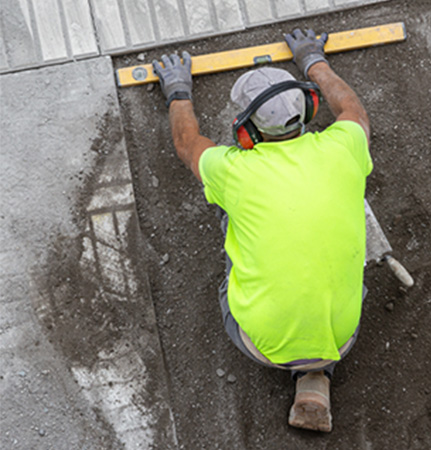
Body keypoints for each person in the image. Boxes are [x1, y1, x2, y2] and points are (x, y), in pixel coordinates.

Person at [152, 28, 372, 432]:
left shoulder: (233, 170)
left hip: (259, 343)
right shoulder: (347, 145)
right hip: (342, 336)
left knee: (228, 211)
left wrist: (178, 89)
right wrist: (312, 59)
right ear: (307, 106)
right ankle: (314, 377)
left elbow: (187, 144)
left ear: (246, 133)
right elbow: (352, 109)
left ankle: (301, 367)